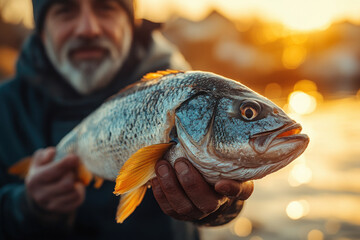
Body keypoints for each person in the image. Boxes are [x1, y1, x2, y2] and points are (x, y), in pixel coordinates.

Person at [0, 0, 254, 239]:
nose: (88, 28)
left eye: (105, 8)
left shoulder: (185, 89)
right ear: (42, 31)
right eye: (65, 10)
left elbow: (221, 207)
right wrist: (25, 206)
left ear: (130, 23)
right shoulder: (5, 105)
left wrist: (223, 204)